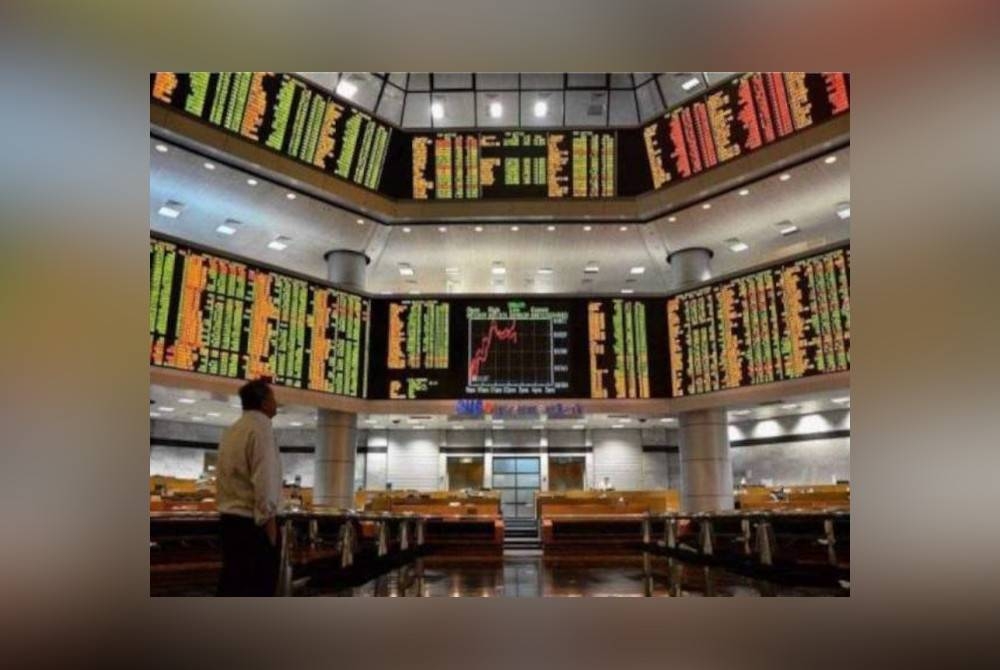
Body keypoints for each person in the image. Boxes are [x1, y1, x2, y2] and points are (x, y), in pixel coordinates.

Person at [215, 379, 282, 596]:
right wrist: (270, 525)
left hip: (228, 520)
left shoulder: (232, 430)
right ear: (264, 402)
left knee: (233, 584)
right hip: (252, 524)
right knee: (257, 588)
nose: (276, 403)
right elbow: (265, 480)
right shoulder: (261, 429)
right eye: (273, 398)